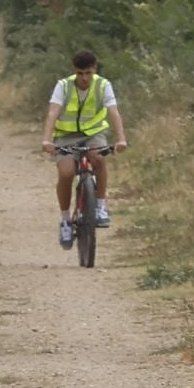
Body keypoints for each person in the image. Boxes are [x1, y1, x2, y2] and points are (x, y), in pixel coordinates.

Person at [41, 49, 129, 246]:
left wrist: (121, 139)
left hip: (94, 133)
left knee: (98, 158)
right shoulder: (63, 86)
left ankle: (100, 206)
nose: (84, 78)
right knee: (66, 173)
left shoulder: (103, 85)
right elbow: (53, 112)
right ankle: (65, 220)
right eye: (80, 73)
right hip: (66, 135)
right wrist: (47, 140)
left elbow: (113, 112)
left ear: (94, 70)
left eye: (88, 73)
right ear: (74, 71)